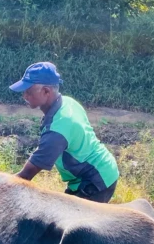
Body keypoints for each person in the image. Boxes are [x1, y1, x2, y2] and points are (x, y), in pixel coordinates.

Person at [9, 61, 119, 202]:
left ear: (46, 91)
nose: (24, 96)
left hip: (95, 179)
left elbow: (26, 176)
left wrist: (2, 185)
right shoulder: (67, 102)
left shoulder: (58, 129)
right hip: (98, 169)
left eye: (28, 91)